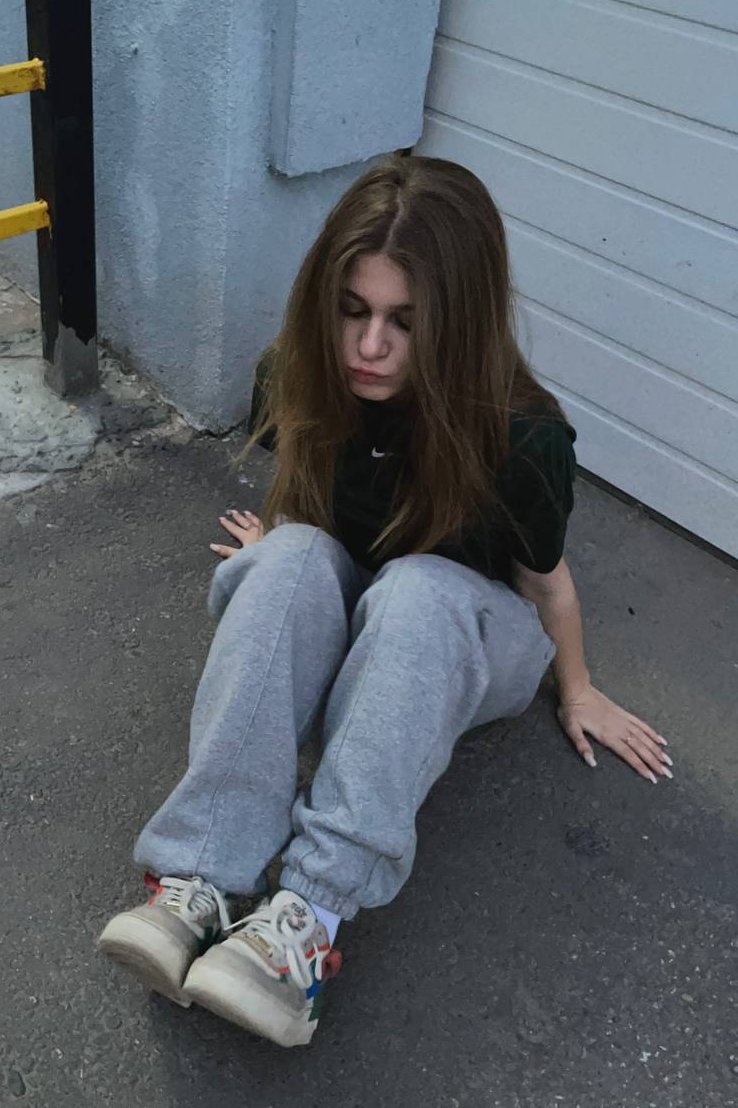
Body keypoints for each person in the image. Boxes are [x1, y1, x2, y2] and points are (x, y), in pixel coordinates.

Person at [97, 154, 673, 1048]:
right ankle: (197, 880)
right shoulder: (298, 372)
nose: (369, 347)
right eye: (353, 311)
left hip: (462, 638)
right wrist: (277, 558)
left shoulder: (522, 440)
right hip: (366, 616)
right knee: (291, 556)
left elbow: (544, 583)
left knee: (416, 587)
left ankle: (307, 926)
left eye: (405, 322)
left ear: (459, 321)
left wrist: (580, 687)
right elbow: (311, 505)